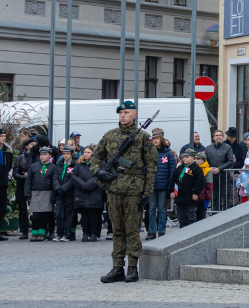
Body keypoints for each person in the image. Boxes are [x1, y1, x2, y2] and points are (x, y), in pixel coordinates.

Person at [90, 100, 157, 284]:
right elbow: (95, 157)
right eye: (120, 112)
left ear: (134, 114)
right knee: (117, 229)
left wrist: (148, 191)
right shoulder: (110, 136)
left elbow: (151, 165)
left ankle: (132, 268)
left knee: (132, 229)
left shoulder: (143, 137)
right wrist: (99, 171)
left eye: (126, 112)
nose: (123, 115)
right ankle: (117, 266)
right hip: (113, 188)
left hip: (134, 189)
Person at [146, 134, 175, 240]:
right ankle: (151, 231)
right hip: (151, 186)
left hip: (164, 186)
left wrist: (170, 187)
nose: (155, 140)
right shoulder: (149, 152)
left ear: (161, 140)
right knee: (151, 209)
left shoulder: (168, 153)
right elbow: (145, 169)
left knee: (162, 209)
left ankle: (161, 231)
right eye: (153, 139)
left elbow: (172, 171)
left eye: (157, 138)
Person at [72, 146, 103, 242]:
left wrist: (89, 184)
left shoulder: (98, 163)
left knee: (93, 214)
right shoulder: (78, 164)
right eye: (85, 152)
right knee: (84, 215)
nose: (86, 154)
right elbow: (74, 175)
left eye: (88, 152)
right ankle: (85, 233)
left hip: (94, 191)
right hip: (82, 192)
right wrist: (83, 184)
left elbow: (99, 176)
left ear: (93, 153)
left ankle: (93, 233)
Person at [27, 145, 58, 240]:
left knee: (45, 215)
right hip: (36, 193)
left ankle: (42, 233)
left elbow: (54, 182)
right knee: (36, 215)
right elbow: (28, 181)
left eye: (45, 155)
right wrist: (28, 193)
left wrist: (53, 195)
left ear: (49, 156)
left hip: (47, 193)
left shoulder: (53, 167)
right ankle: (34, 232)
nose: (42, 157)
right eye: (41, 155)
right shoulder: (34, 166)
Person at [172, 149, 204, 227]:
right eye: (184, 157)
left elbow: (200, 182)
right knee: (181, 218)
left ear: (192, 158)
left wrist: (196, 192)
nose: (184, 159)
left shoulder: (197, 169)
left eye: (187, 157)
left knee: (190, 218)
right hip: (180, 198)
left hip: (190, 198)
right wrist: (172, 191)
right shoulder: (179, 168)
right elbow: (173, 180)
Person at [205, 130, 234, 212]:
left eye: (220, 135)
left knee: (225, 197)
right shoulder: (208, 148)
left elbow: (230, 161)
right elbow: (205, 161)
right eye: (217, 135)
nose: (218, 137)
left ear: (223, 137)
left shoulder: (227, 147)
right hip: (212, 177)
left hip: (224, 176)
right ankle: (215, 217)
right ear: (213, 137)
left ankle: (226, 216)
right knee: (214, 197)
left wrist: (219, 168)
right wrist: (209, 168)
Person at [12, 133, 34, 239]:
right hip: (21, 186)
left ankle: (36, 229)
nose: (33, 146)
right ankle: (24, 231)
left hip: (33, 186)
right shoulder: (20, 158)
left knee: (35, 208)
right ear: (26, 146)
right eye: (31, 144)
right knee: (22, 209)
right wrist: (24, 177)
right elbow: (15, 173)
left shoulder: (37, 157)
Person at [54, 144, 78, 241]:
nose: (65, 156)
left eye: (67, 154)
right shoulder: (59, 163)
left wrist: (63, 188)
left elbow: (73, 178)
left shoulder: (75, 164)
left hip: (69, 193)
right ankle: (59, 233)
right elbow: (55, 177)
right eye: (64, 153)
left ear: (72, 154)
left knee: (69, 214)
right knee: (58, 214)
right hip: (59, 193)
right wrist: (58, 188)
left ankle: (66, 233)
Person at [0, 131, 11, 242]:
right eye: (1, 136)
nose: (3, 138)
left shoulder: (7, 151)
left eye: (4, 136)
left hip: (3, 183)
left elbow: (8, 166)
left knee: (2, 208)